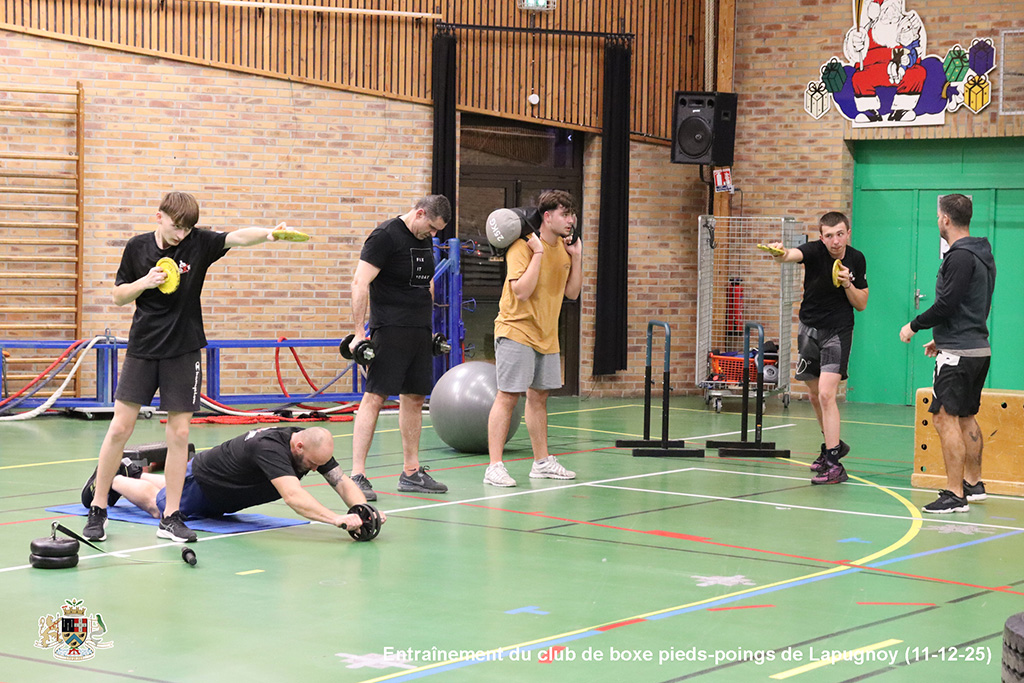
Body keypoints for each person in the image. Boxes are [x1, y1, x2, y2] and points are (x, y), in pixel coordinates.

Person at [83, 191, 304, 544]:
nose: (181, 234)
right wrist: (146, 282)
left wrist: (268, 234)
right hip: (143, 348)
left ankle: (171, 516)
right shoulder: (137, 247)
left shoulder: (198, 243)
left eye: (187, 229)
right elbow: (118, 295)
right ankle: (98, 507)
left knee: (180, 434)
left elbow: (236, 237)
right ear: (159, 217)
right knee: (120, 428)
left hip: (184, 351)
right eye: (176, 227)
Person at [347, 195, 452, 501]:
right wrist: (359, 333)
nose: (433, 234)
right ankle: (356, 475)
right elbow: (359, 283)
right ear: (419, 213)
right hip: (389, 329)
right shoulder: (385, 236)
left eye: (437, 231)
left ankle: (411, 473)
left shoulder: (424, 238)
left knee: (415, 398)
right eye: (431, 227)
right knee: (375, 397)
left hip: (419, 331)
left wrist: (428, 325)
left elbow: (427, 282)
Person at [87, 427, 385, 534]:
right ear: (298, 447)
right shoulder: (271, 449)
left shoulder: (310, 447)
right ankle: (113, 478)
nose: (315, 469)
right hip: (207, 482)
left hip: (221, 490)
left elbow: (340, 481)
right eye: (313, 465)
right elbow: (293, 496)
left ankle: (135, 473)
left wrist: (364, 510)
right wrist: (336, 519)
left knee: (172, 490)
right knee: (160, 506)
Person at [900, 194, 995, 513]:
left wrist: (914, 325)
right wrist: (941, 338)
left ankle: (955, 494)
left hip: (958, 355)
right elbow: (974, 304)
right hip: (976, 349)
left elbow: (947, 305)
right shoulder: (982, 254)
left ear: (945, 219)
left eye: (938, 216)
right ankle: (973, 484)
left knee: (944, 417)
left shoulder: (959, 257)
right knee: (966, 416)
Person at [484, 190, 583, 487]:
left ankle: (541, 462)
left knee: (539, 398)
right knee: (508, 396)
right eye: (565, 214)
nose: (571, 220)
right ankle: (494, 467)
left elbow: (572, 292)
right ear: (547, 217)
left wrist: (577, 257)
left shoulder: (565, 248)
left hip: (546, 334)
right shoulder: (522, 246)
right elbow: (522, 291)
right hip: (516, 330)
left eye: (572, 214)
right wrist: (538, 253)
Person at [768, 211, 868, 485]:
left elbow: (861, 303)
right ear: (821, 237)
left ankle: (835, 464)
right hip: (809, 329)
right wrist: (779, 253)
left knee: (826, 394)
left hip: (838, 331)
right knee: (814, 395)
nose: (835, 241)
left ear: (848, 233)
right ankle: (833, 446)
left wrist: (847, 284)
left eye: (840, 234)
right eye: (829, 236)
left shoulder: (856, 259)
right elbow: (790, 255)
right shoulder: (814, 251)